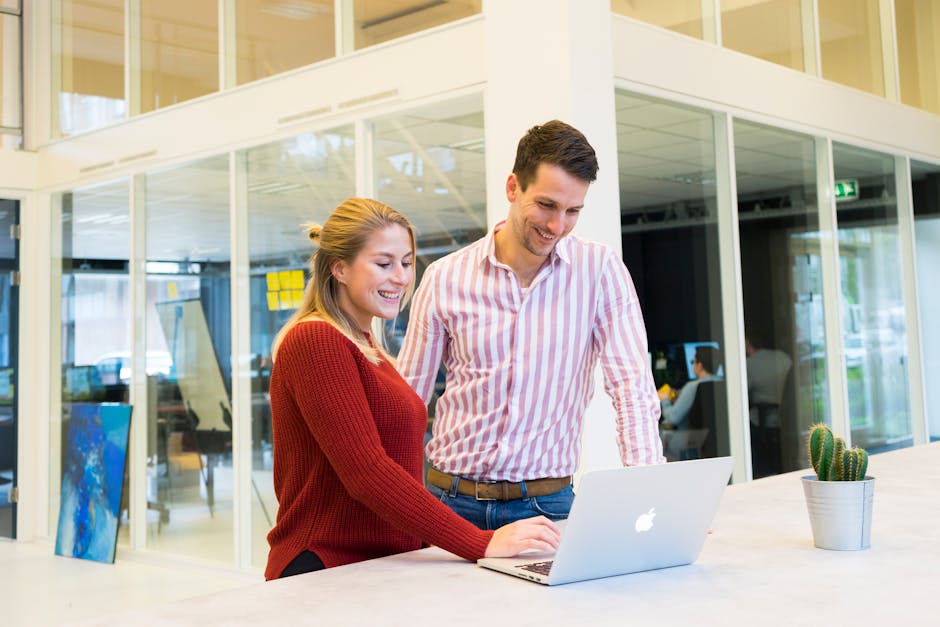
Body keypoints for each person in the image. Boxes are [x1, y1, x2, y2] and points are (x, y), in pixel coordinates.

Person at [264, 198, 560, 580]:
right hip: (325, 565)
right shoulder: (317, 341)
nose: (401, 278)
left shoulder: (369, 348)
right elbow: (367, 472)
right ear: (339, 268)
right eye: (383, 263)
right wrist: (477, 541)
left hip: (380, 564)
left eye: (406, 262)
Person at [397, 120, 664, 530]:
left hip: (547, 507)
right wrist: (393, 499)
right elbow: (407, 399)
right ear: (512, 188)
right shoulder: (445, 277)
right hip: (447, 503)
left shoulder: (600, 271)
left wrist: (651, 497)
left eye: (572, 211)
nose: (557, 226)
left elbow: (632, 388)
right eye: (546, 205)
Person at [745, 334, 793, 477]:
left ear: (747, 343)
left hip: (762, 418)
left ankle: (761, 471)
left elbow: (742, 395)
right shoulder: (784, 357)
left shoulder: (749, 364)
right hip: (787, 417)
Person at [658, 346, 723, 430]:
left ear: (699, 366)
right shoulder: (723, 383)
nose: (693, 365)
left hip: (688, 438)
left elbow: (672, 418)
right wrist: (679, 396)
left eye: (693, 362)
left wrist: (664, 399)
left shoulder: (692, 387)